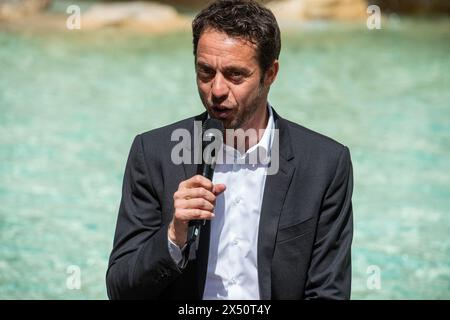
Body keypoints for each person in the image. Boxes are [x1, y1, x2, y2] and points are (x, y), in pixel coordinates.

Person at [106, 0, 353, 300]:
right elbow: (120, 290)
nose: (217, 90)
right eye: (205, 72)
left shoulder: (325, 164)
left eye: (236, 75)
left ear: (270, 73)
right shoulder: (153, 152)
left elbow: (328, 293)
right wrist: (173, 236)